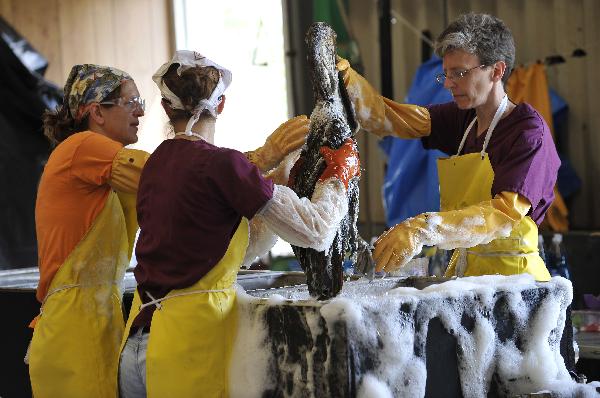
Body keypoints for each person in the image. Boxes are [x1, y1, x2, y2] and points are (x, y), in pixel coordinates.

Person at [118, 50, 360, 398]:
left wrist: (280, 184)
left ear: (167, 108)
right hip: (190, 351)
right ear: (222, 103)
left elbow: (218, 243)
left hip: (139, 346)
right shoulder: (225, 165)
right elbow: (317, 231)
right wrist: (339, 175)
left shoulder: (156, 163)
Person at [337, 13, 559, 280]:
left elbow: (502, 215)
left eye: (460, 73)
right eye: (447, 75)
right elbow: (392, 120)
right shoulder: (463, 119)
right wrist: (347, 81)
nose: (450, 84)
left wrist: (421, 228)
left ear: (497, 71)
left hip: (516, 287)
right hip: (467, 279)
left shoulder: (527, 132)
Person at [28, 64, 149, 397]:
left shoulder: (106, 170)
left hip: (96, 323)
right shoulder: (81, 146)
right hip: (75, 331)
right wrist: (246, 169)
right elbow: (167, 173)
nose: (140, 111)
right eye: (131, 101)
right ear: (97, 111)